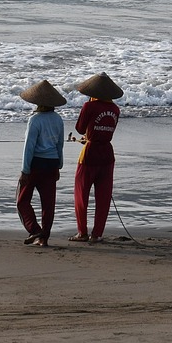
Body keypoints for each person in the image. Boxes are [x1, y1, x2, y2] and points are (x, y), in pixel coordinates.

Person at [70, 72, 122, 243]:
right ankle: (97, 234)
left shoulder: (89, 107)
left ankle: (82, 232)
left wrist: (88, 135)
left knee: (81, 194)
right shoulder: (115, 109)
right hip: (107, 153)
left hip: (90, 153)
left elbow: (79, 129)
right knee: (104, 197)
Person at [17, 79, 66, 247]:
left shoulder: (35, 120)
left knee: (22, 201)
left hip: (36, 163)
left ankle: (35, 229)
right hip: (52, 164)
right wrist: (59, 165)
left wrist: (25, 169)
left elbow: (29, 147)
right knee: (48, 203)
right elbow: (60, 144)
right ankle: (44, 237)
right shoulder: (58, 119)